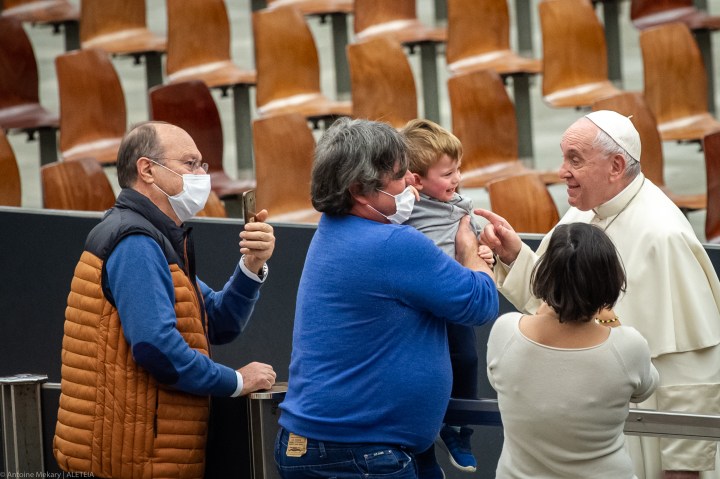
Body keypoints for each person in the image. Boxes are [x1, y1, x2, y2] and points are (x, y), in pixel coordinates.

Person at [478, 110, 720, 479]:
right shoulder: (582, 215)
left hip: (646, 439)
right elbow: (556, 307)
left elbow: (693, 369)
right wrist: (515, 257)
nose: (561, 171)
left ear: (616, 165)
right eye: (563, 157)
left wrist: (684, 467)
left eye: (574, 160)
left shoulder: (663, 237)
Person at [274, 117, 499, 479]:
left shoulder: (333, 230)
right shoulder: (394, 244)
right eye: (399, 175)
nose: (410, 181)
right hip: (359, 453)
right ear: (360, 189)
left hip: (345, 447)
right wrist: (469, 250)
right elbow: (479, 303)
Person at [53, 121, 278, 479]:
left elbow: (217, 322)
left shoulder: (157, 239)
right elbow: (157, 348)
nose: (202, 175)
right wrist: (235, 381)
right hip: (131, 461)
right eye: (191, 164)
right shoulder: (134, 242)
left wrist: (251, 266)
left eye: (202, 165)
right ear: (147, 170)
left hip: (148, 455)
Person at [487, 222, 659, 478]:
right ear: (610, 280)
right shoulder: (628, 347)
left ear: (545, 273)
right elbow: (646, 388)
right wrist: (609, 318)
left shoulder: (506, 331)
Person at [401, 118, 492, 477]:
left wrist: (485, 254)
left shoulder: (460, 205)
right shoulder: (402, 211)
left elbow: (481, 240)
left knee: (467, 358)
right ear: (417, 179)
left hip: (455, 297)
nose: (457, 179)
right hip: (419, 309)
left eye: (458, 170)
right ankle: (428, 436)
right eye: (448, 173)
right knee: (422, 374)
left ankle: (459, 430)